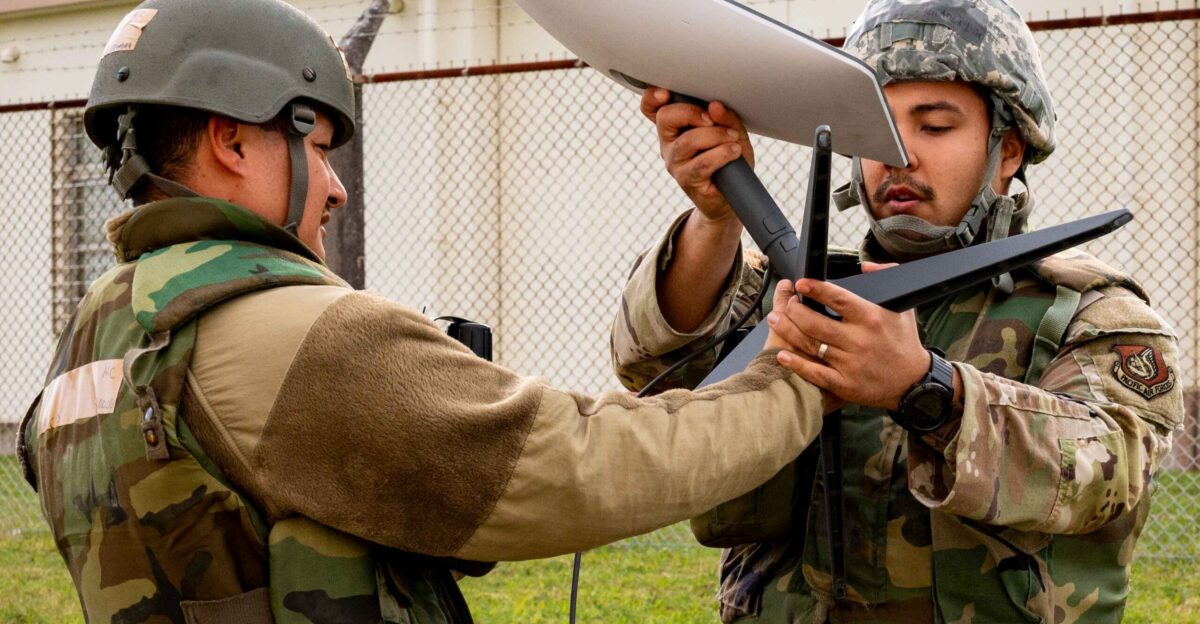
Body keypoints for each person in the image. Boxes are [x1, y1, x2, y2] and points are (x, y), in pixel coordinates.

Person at [15, 1, 839, 622]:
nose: (335, 186)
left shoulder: (94, 332)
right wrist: (802, 375)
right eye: (315, 148)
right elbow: (581, 463)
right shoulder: (296, 335)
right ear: (233, 142)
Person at [611, 0, 1184, 622]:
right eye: (875, 128)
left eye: (934, 127)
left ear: (1008, 150)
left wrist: (924, 389)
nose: (900, 155)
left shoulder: (1088, 313)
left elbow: (1111, 475)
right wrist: (715, 217)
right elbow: (649, 367)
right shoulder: (788, 289)